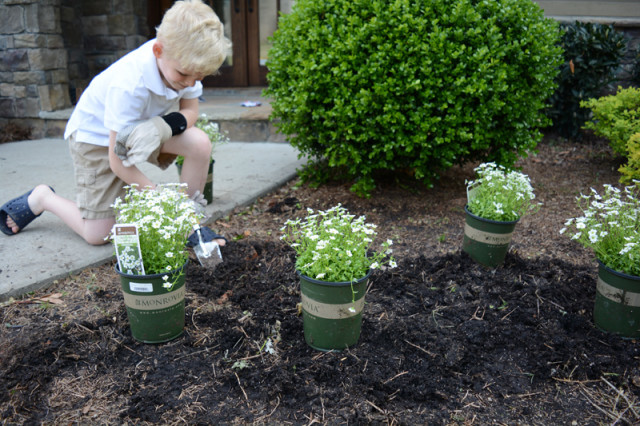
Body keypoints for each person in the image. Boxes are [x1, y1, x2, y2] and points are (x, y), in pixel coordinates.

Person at [1, 0, 230, 246]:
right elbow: (117, 161)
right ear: (158, 51)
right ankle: (43, 198)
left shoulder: (186, 68)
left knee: (199, 143)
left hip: (141, 131)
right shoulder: (130, 84)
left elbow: (190, 111)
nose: (189, 83)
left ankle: (187, 222)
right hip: (96, 142)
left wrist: (161, 127)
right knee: (98, 235)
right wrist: (160, 198)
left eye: (199, 77)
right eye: (184, 75)